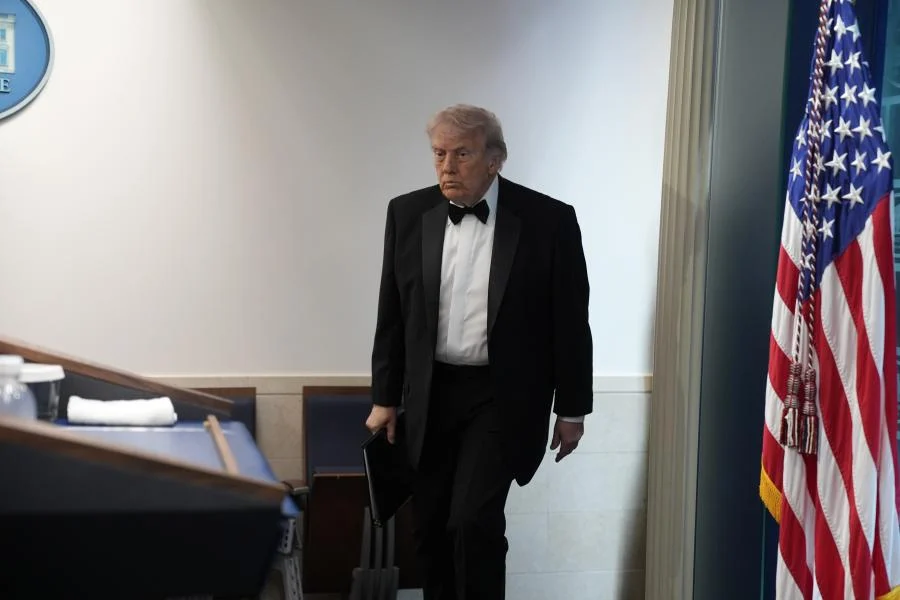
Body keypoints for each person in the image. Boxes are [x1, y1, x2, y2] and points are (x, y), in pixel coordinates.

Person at [366, 104, 593, 599]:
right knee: (430, 529)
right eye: (439, 154)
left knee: (473, 522)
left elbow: (571, 322)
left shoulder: (549, 221)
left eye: (462, 154)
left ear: (495, 160)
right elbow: (392, 312)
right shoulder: (406, 213)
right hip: (430, 393)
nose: (446, 166)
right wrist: (384, 397)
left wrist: (572, 408)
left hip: (500, 397)